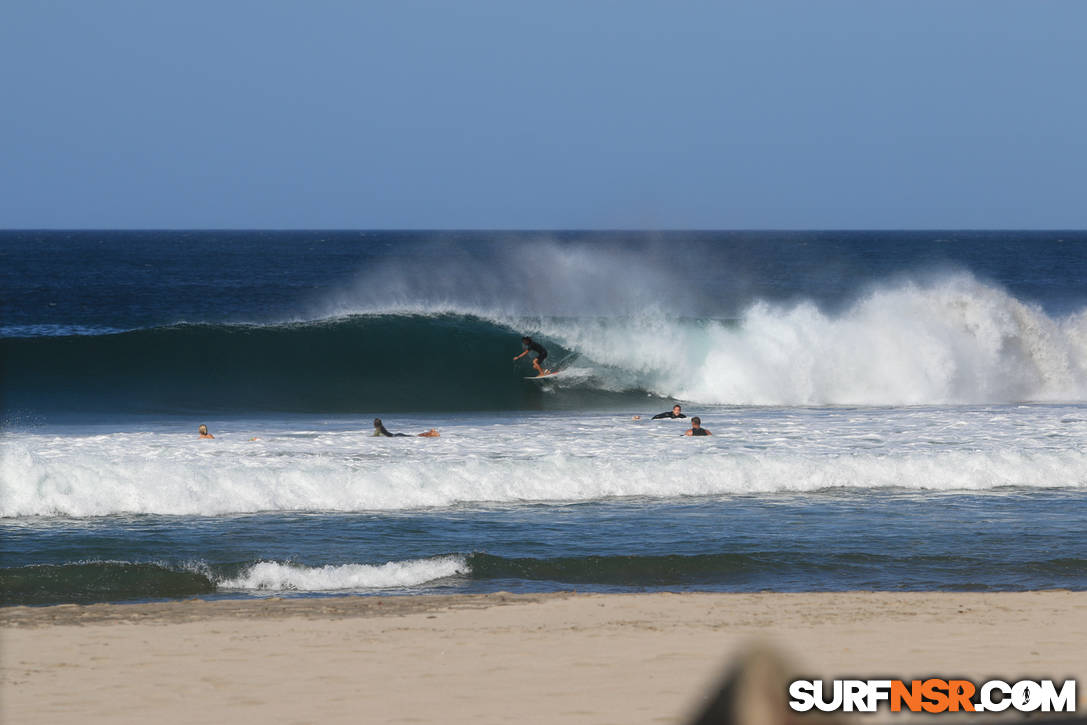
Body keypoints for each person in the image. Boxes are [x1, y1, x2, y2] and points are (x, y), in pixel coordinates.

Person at [372, 418, 440, 438]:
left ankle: (431, 433)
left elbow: (375, 435)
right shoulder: (381, 428)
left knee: (415, 436)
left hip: (396, 436)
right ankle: (430, 433)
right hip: (396, 435)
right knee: (414, 436)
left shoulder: (379, 429)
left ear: (375, 424)